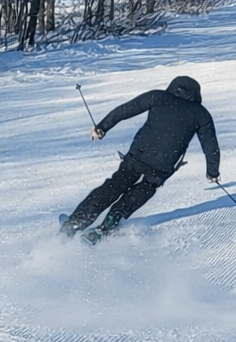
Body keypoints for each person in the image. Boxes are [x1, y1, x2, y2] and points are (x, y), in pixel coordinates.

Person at [61, 75, 221, 242]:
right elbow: (211, 147)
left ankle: (75, 222)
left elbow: (125, 110)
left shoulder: (158, 97)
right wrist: (213, 172)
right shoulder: (202, 115)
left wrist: (102, 127)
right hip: (162, 165)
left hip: (138, 156)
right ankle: (107, 226)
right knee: (144, 189)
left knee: (115, 185)